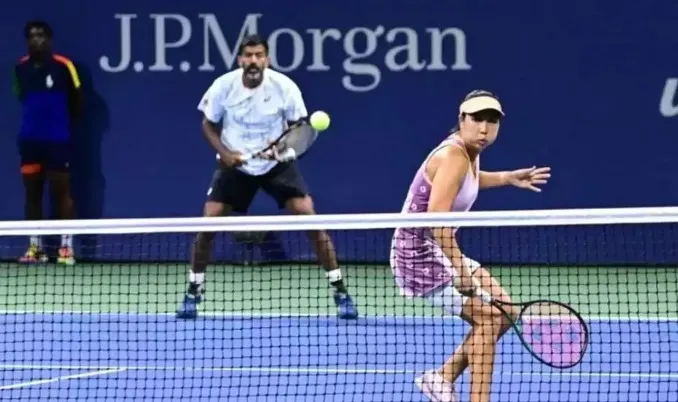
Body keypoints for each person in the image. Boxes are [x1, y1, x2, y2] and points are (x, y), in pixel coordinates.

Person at [176, 34, 359, 320]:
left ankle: (340, 292)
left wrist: (282, 149)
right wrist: (225, 153)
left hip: (275, 165)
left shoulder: (285, 87)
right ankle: (193, 292)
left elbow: (298, 128)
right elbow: (208, 124)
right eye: (248, 56)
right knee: (208, 224)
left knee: (310, 218)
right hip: (236, 164)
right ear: (240, 60)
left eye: (259, 55)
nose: (253, 61)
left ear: (267, 59)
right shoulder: (223, 86)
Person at [389, 90, 551, 402]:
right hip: (417, 255)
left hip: (438, 248)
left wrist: (506, 178)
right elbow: (436, 223)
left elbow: (467, 181)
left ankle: (441, 377)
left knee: (507, 311)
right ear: (462, 119)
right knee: (489, 318)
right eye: (477, 119)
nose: (484, 128)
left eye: (492, 121)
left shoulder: (468, 154)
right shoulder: (453, 156)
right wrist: (461, 272)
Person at [14, 20, 82, 265]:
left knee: (62, 193)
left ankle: (66, 248)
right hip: (30, 142)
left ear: (50, 40)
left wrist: (59, 126)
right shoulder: (20, 68)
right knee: (32, 195)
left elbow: (77, 101)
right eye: (32, 36)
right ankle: (35, 248)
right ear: (27, 41)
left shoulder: (64, 66)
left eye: (41, 35)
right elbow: (21, 96)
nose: (37, 40)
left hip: (58, 141)